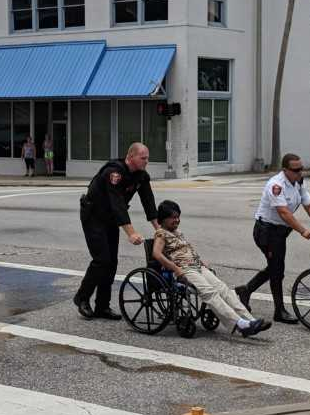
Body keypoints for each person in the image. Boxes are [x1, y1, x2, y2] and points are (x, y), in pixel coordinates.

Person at [151, 201, 269, 337]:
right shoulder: (161, 233)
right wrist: (175, 268)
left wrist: (200, 261)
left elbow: (186, 249)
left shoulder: (177, 232)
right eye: (173, 217)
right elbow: (156, 254)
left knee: (223, 289)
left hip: (197, 266)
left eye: (178, 217)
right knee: (210, 293)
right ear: (163, 218)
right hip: (184, 270)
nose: (177, 220)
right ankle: (240, 324)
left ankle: (250, 320)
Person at [237, 153, 310, 324]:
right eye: (296, 170)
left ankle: (246, 290)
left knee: (275, 266)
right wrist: (303, 231)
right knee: (277, 270)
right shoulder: (276, 185)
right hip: (267, 231)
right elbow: (283, 212)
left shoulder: (299, 181)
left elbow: (309, 206)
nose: (300, 172)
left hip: (280, 231)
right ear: (285, 170)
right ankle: (279, 310)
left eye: (301, 168)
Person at [74, 143, 158, 320]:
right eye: (143, 158)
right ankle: (82, 298)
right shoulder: (113, 172)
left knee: (111, 262)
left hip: (110, 219)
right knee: (101, 259)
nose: (147, 161)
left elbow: (148, 202)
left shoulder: (141, 176)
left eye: (147, 158)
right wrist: (131, 233)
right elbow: (117, 204)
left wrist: (159, 229)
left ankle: (102, 306)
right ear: (130, 157)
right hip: (94, 216)